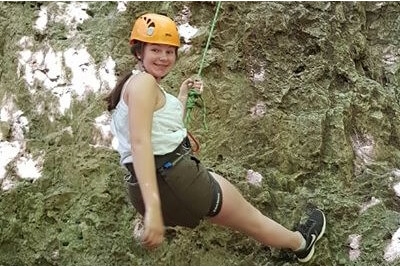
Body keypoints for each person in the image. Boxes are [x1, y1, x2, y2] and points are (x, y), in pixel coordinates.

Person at [105, 13, 326, 263]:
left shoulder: (134, 84)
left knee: (225, 199)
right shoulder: (145, 83)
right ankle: (301, 243)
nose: (164, 58)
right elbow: (141, 143)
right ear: (139, 51)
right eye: (155, 50)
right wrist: (153, 211)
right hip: (173, 181)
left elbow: (158, 128)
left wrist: (183, 95)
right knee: (251, 219)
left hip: (147, 188)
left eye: (170, 51)